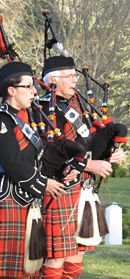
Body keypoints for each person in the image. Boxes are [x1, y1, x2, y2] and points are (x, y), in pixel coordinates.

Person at [0, 62, 66, 278]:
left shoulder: (27, 118)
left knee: (25, 271)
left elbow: (39, 156)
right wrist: (43, 184)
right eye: (29, 87)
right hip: (4, 201)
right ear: (11, 91)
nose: (34, 92)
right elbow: (12, 162)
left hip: (24, 198)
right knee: (3, 273)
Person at [40, 56, 126, 278]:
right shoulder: (42, 109)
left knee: (77, 251)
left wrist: (111, 152)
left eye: (75, 76)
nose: (75, 81)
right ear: (52, 80)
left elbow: (89, 141)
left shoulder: (77, 107)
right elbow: (48, 151)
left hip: (83, 187)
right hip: (60, 186)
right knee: (57, 254)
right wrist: (90, 164)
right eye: (69, 77)